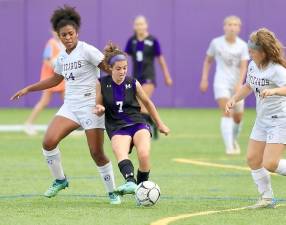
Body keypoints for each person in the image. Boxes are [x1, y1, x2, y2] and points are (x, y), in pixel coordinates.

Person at [10, 5, 121, 204]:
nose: (68, 37)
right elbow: (54, 80)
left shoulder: (87, 50)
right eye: (64, 35)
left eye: (71, 33)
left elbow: (108, 68)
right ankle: (60, 180)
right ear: (59, 36)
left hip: (91, 106)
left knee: (97, 153)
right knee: (48, 142)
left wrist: (116, 63)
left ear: (76, 32)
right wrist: (28, 88)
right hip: (70, 106)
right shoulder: (62, 56)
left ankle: (112, 192)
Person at [94, 43, 170, 195]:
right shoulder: (101, 84)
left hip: (137, 123)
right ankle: (130, 181)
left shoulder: (132, 82)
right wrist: (99, 108)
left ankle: (142, 188)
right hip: (116, 127)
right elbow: (98, 103)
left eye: (125, 68)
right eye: (118, 68)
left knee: (144, 154)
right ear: (109, 68)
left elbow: (148, 103)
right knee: (121, 153)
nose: (122, 71)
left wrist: (160, 124)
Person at [226, 28, 286, 208]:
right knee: (253, 159)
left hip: (280, 120)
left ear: (263, 52)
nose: (249, 53)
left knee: (270, 163)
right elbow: (248, 86)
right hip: (262, 120)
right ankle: (267, 199)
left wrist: (275, 90)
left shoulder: (277, 70)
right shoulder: (253, 65)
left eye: (252, 50)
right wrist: (234, 98)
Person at [200, 15, 249, 155]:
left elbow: (244, 66)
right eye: (229, 24)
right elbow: (208, 61)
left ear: (239, 28)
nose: (232, 27)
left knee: (238, 118)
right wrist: (204, 79)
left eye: (235, 25)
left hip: (237, 85)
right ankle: (229, 147)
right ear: (224, 27)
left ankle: (233, 139)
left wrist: (240, 84)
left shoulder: (243, 46)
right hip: (221, 82)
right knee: (227, 111)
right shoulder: (216, 43)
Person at [125, 15, 173, 139]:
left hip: (149, 77)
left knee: (142, 102)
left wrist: (167, 76)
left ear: (146, 25)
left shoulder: (153, 41)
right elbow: (124, 57)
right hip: (136, 77)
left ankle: (149, 127)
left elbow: (161, 60)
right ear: (134, 27)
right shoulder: (132, 41)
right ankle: (154, 125)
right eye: (137, 24)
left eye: (142, 24)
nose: (140, 26)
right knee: (139, 104)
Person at [24, 31, 64, 136]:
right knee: (44, 101)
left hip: (61, 77)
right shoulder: (51, 43)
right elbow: (46, 60)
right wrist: (55, 67)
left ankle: (69, 128)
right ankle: (28, 124)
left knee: (68, 102)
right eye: (56, 31)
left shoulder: (63, 44)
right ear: (53, 32)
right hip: (49, 78)